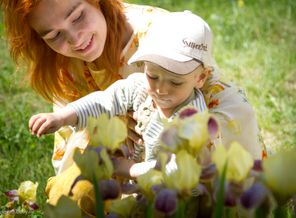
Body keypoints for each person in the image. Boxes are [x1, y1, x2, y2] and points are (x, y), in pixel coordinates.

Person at [1, 0, 264, 216]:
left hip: (175, 175)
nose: (76, 39)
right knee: (71, 194)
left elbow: (225, 106)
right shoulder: (129, 80)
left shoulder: (161, 39)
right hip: (125, 160)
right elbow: (97, 105)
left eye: (78, 16)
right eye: (55, 35)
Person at [29, 11, 214, 178]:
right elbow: (104, 102)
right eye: (153, 75)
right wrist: (62, 117)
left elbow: (179, 167)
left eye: (175, 82)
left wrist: (130, 169)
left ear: (201, 78)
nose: (160, 89)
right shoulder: (139, 86)